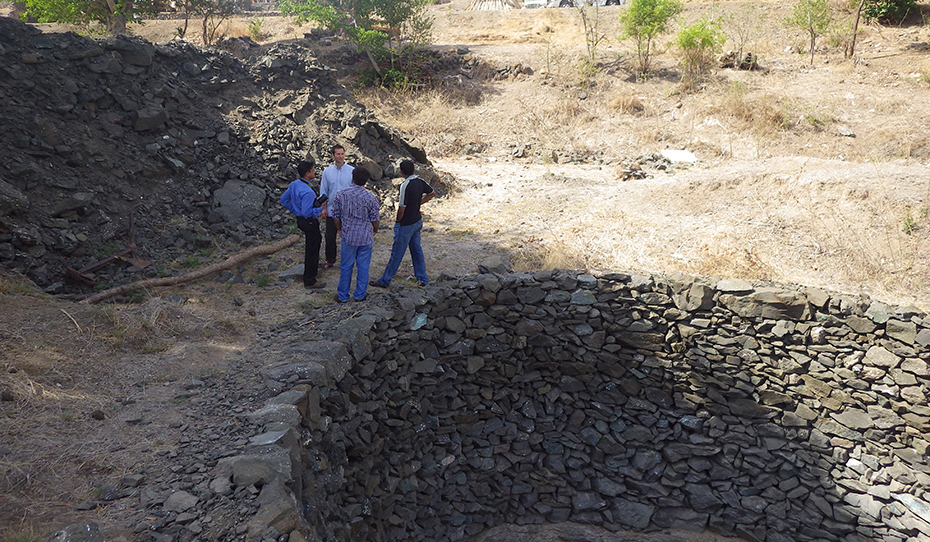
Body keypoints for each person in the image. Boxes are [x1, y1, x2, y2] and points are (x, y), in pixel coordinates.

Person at [370, 160, 435, 289]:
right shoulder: (420, 181)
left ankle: (385, 280)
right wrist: (417, 204)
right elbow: (432, 193)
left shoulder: (405, 185)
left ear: (401, 172)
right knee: (416, 250)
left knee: (397, 253)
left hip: (406, 223)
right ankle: (422, 278)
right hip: (416, 220)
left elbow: (401, 208)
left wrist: (398, 221)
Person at [329, 167, 380, 303]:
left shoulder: (341, 194)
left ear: (352, 177)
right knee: (363, 267)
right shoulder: (371, 198)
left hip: (348, 235)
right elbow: (375, 218)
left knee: (346, 266)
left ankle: (343, 295)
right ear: (366, 181)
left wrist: (339, 229)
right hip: (365, 236)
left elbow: (335, 215)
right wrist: (375, 229)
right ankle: (360, 294)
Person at [280, 159, 325, 289]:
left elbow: (284, 200)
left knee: (310, 247)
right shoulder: (308, 192)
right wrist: (320, 209)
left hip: (300, 220)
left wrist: (295, 210)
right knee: (313, 249)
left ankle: (309, 275)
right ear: (307, 174)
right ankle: (310, 280)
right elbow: (307, 212)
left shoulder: (294, 184)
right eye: (312, 170)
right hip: (309, 222)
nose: (314, 172)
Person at [319, 144, 354, 271]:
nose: (341, 156)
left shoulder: (351, 171)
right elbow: (323, 191)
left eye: (342, 154)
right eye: (338, 154)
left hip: (347, 210)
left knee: (349, 236)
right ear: (333, 155)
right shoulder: (327, 172)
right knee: (330, 236)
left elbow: (354, 190)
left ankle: (348, 260)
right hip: (332, 209)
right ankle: (330, 260)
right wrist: (323, 208)